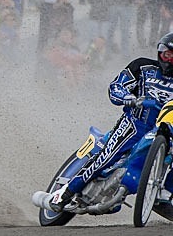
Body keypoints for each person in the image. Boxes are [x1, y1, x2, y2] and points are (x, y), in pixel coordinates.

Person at [49, 33, 173, 213]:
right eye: (166, 54)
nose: (168, 59)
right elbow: (116, 86)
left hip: (166, 130)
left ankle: (166, 193)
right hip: (135, 124)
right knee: (106, 158)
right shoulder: (143, 66)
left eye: (172, 55)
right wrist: (130, 98)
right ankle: (65, 192)